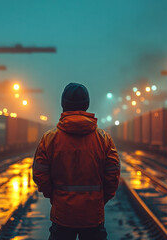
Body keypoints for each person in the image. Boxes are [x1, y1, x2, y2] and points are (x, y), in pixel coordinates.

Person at [33, 82, 120, 240]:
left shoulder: (49, 139)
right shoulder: (104, 139)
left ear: (63, 105)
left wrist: (55, 197)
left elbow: (40, 174)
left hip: (62, 215)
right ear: (86, 105)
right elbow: (113, 176)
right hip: (93, 216)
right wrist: (101, 199)